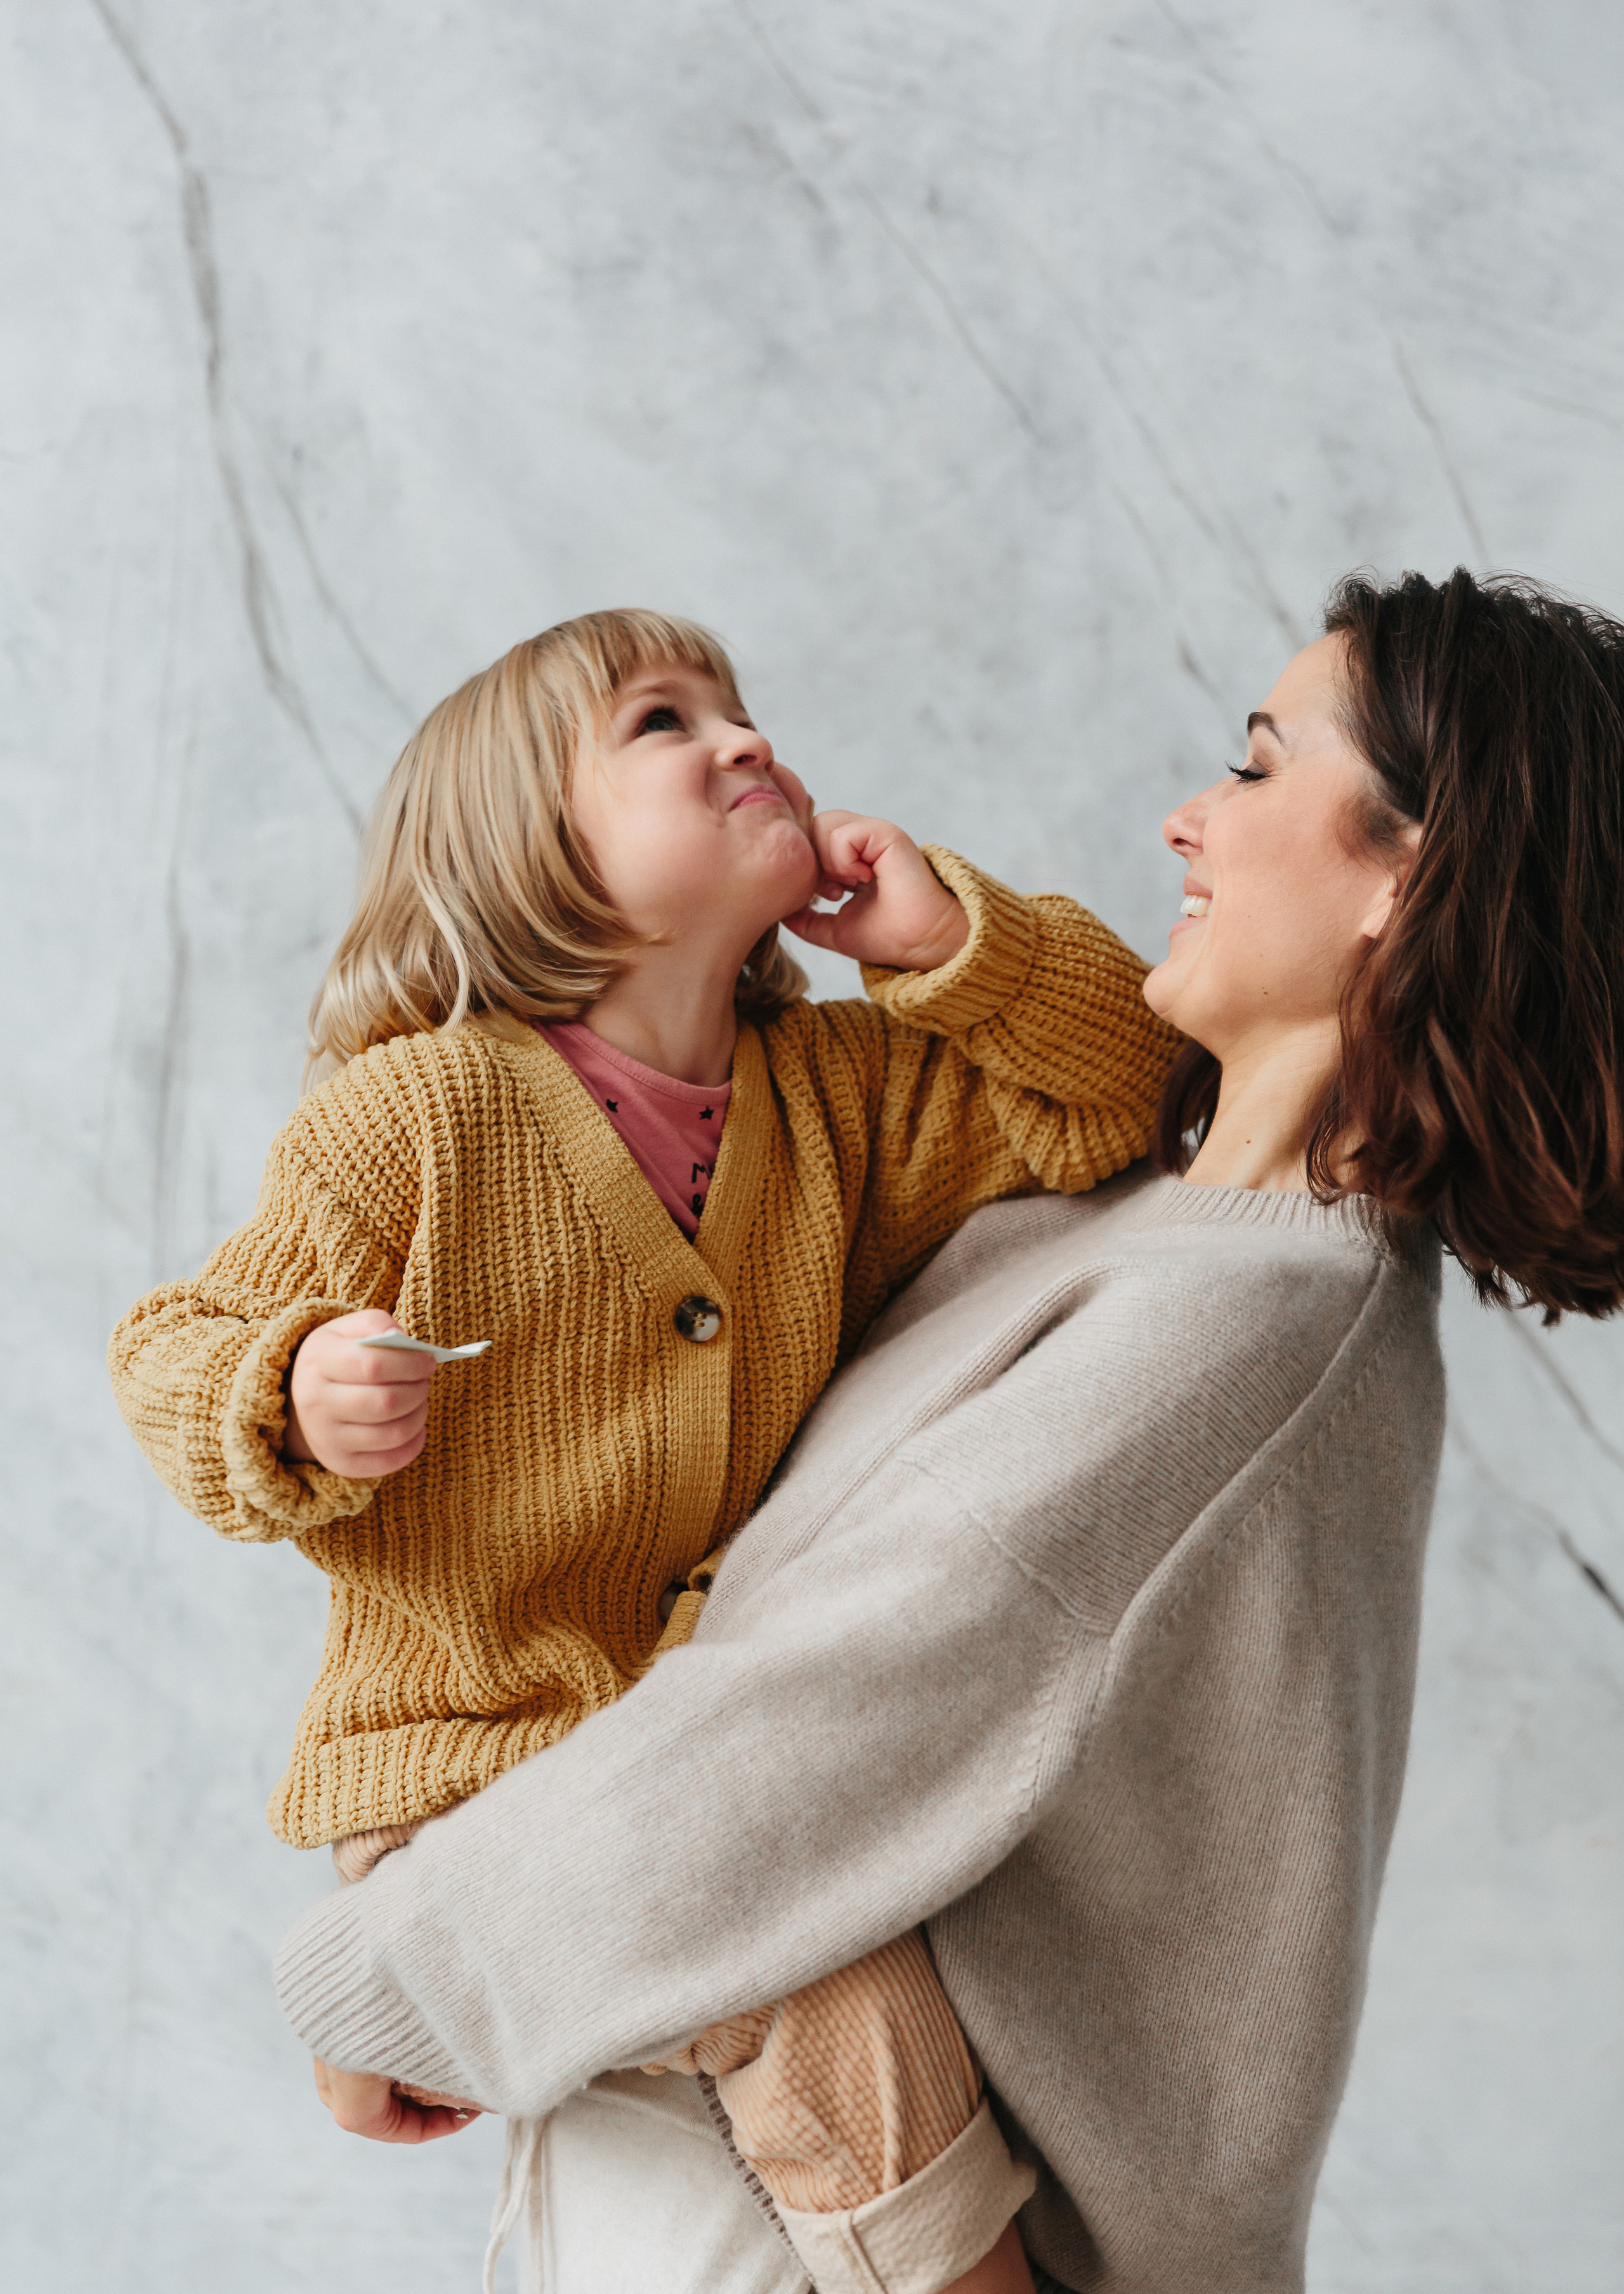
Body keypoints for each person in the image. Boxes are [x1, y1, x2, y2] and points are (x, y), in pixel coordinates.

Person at [275, 568, 1624, 2294]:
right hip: (730, 2147)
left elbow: (825, 1714)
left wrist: (390, 1970)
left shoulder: (1255, 1320)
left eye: (1263, 768)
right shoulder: (1133, 1228)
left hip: (842, 2236)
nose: (1189, 819)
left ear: (1404, 879)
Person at [107, 608, 1177, 2294]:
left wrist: (951, 940)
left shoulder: (845, 1098)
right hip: (468, 1777)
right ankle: (406, 1971)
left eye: (746, 708)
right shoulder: (419, 1117)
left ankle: (419, 1994)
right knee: (840, 1994)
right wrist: (292, 1381)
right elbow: (169, 1353)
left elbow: (1128, 1093)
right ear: (530, 848)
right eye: (665, 723)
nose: (744, 739)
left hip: (707, 1770)